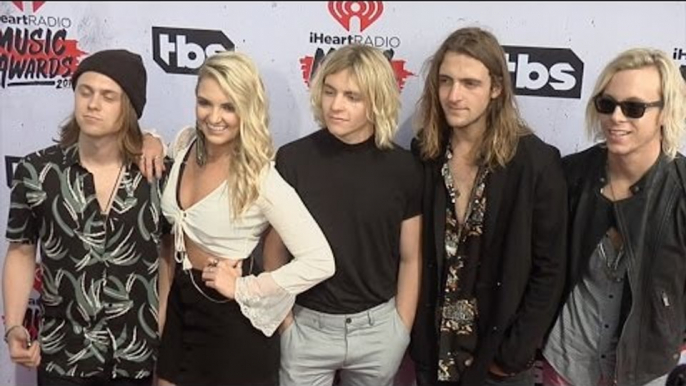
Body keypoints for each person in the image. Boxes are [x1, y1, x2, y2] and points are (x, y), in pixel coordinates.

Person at [153, 51, 335, 386]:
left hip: (232, 324)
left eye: (229, 106)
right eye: (205, 103)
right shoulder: (184, 146)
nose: (214, 117)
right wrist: (147, 140)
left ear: (248, 109)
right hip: (181, 303)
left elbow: (321, 260)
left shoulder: (260, 178)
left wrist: (246, 287)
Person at [256, 44, 423, 386]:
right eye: (330, 92)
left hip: (378, 330)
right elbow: (274, 250)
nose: (336, 105)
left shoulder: (404, 168)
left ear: (376, 101)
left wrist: (400, 328)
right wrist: (286, 322)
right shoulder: (294, 160)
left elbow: (411, 258)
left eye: (352, 96)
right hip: (305, 326)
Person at [2, 49, 172, 386]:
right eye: (85, 91)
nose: (92, 104)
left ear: (129, 107)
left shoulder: (157, 175)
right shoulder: (37, 172)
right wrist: (14, 325)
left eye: (108, 96)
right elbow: (21, 250)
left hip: (134, 357)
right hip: (62, 356)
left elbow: (168, 255)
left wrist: (160, 329)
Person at [409, 27, 568, 386]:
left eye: (470, 83)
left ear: (496, 89)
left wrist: (512, 354)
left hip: (498, 359)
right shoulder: (426, 153)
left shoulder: (535, 163)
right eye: (445, 81)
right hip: (433, 353)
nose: (453, 95)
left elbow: (550, 269)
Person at [542, 48, 686, 386]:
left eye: (634, 108)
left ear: (664, 113)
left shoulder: (681, 189)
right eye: (607, 105)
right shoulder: (571, 175)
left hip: (645, 370)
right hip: (564, 361)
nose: (616, 118)